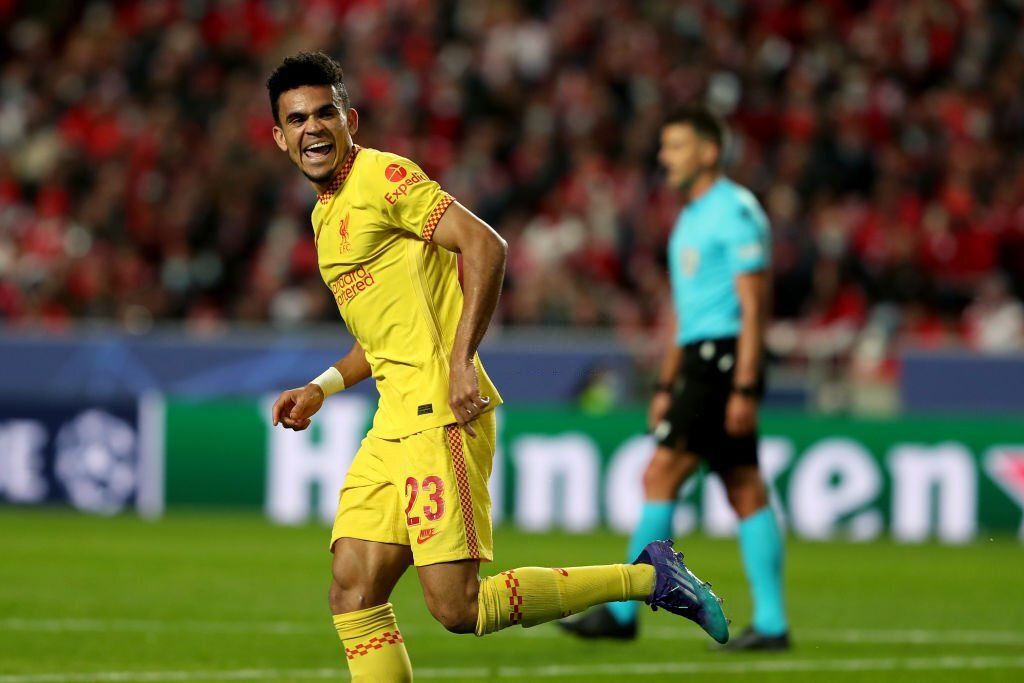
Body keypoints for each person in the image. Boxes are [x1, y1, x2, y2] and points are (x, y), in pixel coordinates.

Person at [265, 52, 729, 681]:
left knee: (456, 608)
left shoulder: (383, 178)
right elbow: (383, 340)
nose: (312, 129)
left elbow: (486, 245)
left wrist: (461, 363)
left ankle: (649, 577)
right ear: (279, 136)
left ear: (351, 119)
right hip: (393, 421)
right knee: (352, 590)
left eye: (324, 114)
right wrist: (323, 387)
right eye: (296, 120)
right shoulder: (325, 216)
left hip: (439, 414)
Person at [560, 108, 790, 651]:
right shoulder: (690, 217)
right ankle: (774, 625)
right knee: (743, 488)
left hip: (723, 361)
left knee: (660, 475)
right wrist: (666, 384)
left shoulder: (735, 211)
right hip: (696, 361)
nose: (665, 157)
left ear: (709, 152)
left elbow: (754, 306)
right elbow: (683, 314)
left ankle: (621, 613)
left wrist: (745, 386)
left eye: (677, 146)